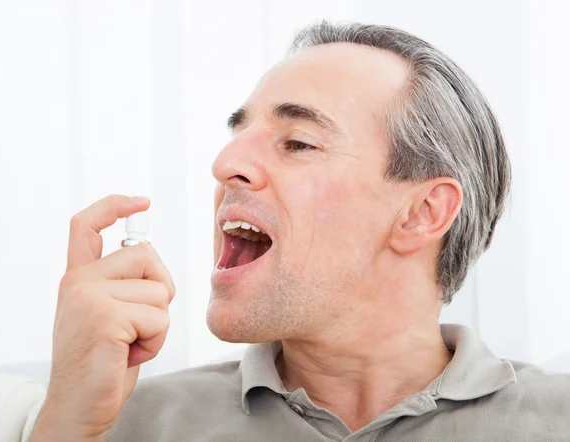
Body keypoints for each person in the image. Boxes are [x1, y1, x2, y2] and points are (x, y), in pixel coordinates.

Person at [28, 22, 570, 442]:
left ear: (423, 212)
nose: (225, 164)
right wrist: (67, 425)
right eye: (239, 135)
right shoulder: (125, 421)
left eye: (297, 143)